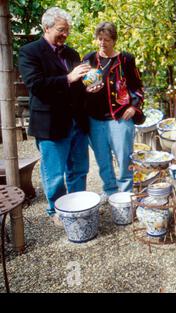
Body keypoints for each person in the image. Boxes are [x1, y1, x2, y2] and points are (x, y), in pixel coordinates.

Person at [18, 7, 91, 226]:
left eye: (67, 30)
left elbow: (76, 86)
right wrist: (68, 78)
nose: (65, 35)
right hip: (50, 124)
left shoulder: (71, 53)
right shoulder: (29, 52)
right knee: (55, 173)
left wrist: (89, 87)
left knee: (79, 169)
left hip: (76, 122)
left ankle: (77, 207)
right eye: (61, 30)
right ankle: (57, 210)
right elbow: (36, 86)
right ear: (46, 27)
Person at [82, 22, 144, 198]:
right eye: (100, 39)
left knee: (124, 158)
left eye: (107, 40)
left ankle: (125, 193)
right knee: (103, 160)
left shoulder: (126, 59)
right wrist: (86, 89)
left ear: (114, 40)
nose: (102, 43)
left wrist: (133, 106)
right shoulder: (89, 59)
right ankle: (109, 191)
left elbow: (138, 86)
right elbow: (81, 86)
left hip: (120, 117)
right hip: (95, 119)